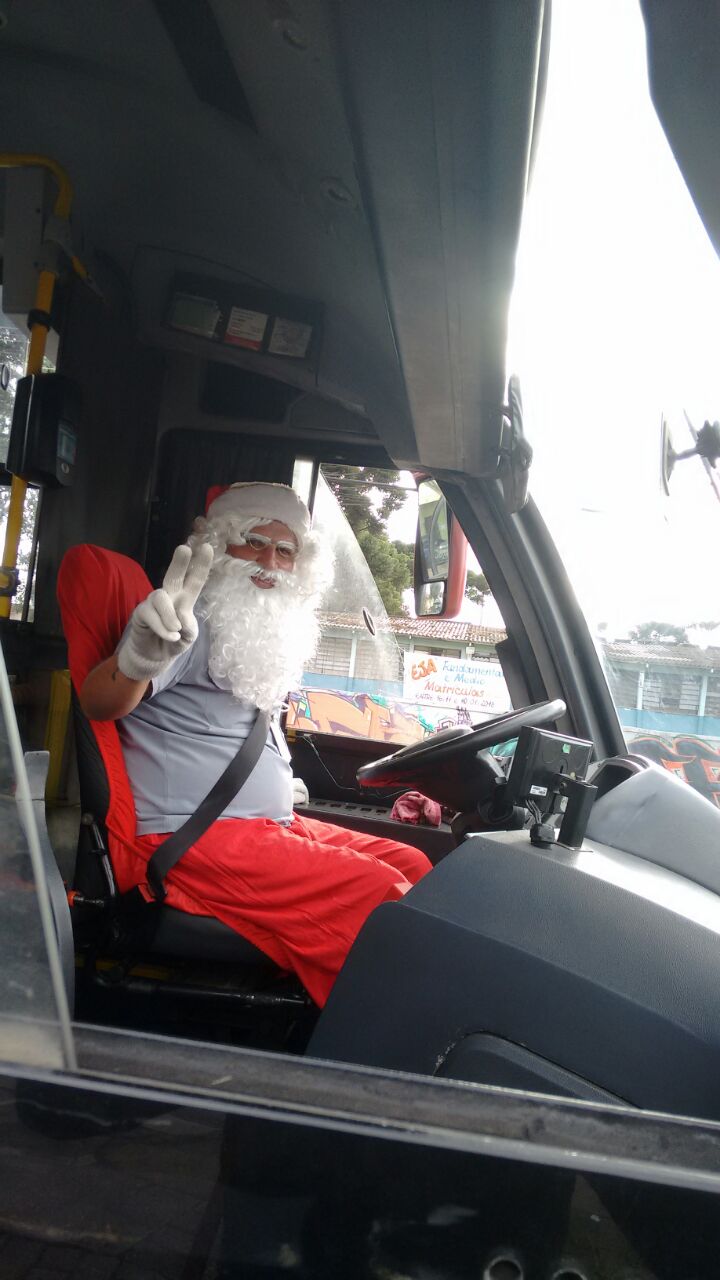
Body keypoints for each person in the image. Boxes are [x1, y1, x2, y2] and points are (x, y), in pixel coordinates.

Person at [80, 481, 431, 1006]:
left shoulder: (257, 633)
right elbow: (100, 702)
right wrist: (135, 660)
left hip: (256, 827)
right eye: (252, 542)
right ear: (219, 548)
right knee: (379, 895)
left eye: (285, 551)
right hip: (189, 839)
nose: (269, 561)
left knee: (413, 867)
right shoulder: (185, 624)